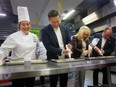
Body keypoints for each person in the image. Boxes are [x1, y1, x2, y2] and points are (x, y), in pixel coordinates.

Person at [0, 6, 47, 87]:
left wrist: (40, 61)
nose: (26, 26)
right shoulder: (13, 37)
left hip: (31, 67)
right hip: (17, 68)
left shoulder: (34, 36)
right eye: (23, 24)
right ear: (19, 26)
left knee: (30, 85)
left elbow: (42, 49)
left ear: (30, 25)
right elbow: (3, 50)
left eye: (28, 24)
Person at [41, 10, 72, 87]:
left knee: (64, 80)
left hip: (65, 59)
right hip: (53, 59)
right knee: (53, 81)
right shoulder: (45, 31)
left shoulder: (65, 28)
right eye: (53, 22)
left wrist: (70, 45)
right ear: (49, 20)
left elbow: (69, 41)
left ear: (60, 18)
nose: (56, 24)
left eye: (58, 21)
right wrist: (61, 51)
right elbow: (48, 46)